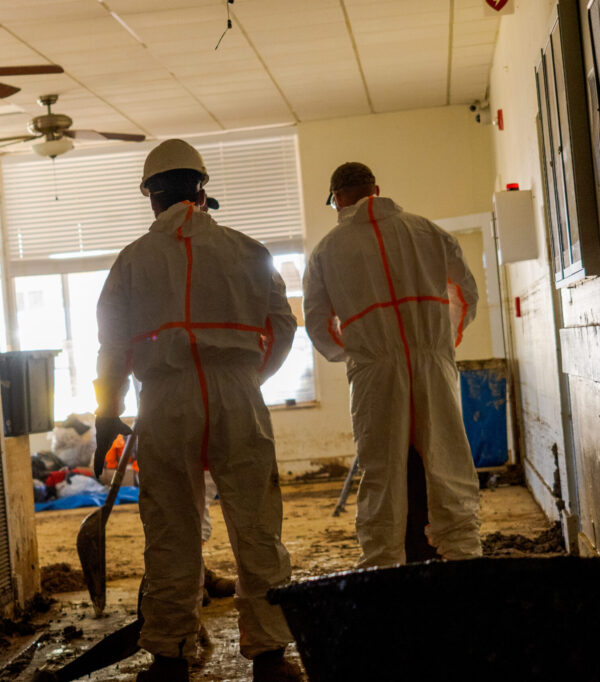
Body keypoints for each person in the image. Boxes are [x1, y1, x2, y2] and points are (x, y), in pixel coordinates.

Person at [94, 139, 298, 681]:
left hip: (164, 397)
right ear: (203, 190)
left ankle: (170, 656)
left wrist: (106, 413)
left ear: (151, 197)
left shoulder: (133, 259)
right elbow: (283, 325)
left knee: (170, 528)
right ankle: (272, 657)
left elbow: (112, 345)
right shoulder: (248, 250)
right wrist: (249, 378)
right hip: (237, 392)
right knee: (256, 525)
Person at [303, 162, 482, 568]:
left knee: (382, 475)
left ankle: (384, 571)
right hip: (433, 365)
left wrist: (359, 354)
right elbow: (465, 294)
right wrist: (440, 344)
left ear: (337, 200)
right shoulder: (428, 232)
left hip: (376, 375)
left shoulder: (328, 251)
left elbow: (317, 325)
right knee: (449, 468)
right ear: (377, 189)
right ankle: (466, 564)